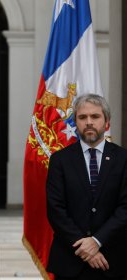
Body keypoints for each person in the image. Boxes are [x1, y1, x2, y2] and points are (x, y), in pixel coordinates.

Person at [46, 94, 127, 280]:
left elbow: (125, 208)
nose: (89, 122)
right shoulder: (60, 160)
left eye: (95, 116)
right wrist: (84, 247)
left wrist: (97, 241)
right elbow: (55, 209)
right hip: (70, 261)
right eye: (82, 117)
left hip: (113, 261)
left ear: (106, 122)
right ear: (75, 122)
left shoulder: (123, 159)